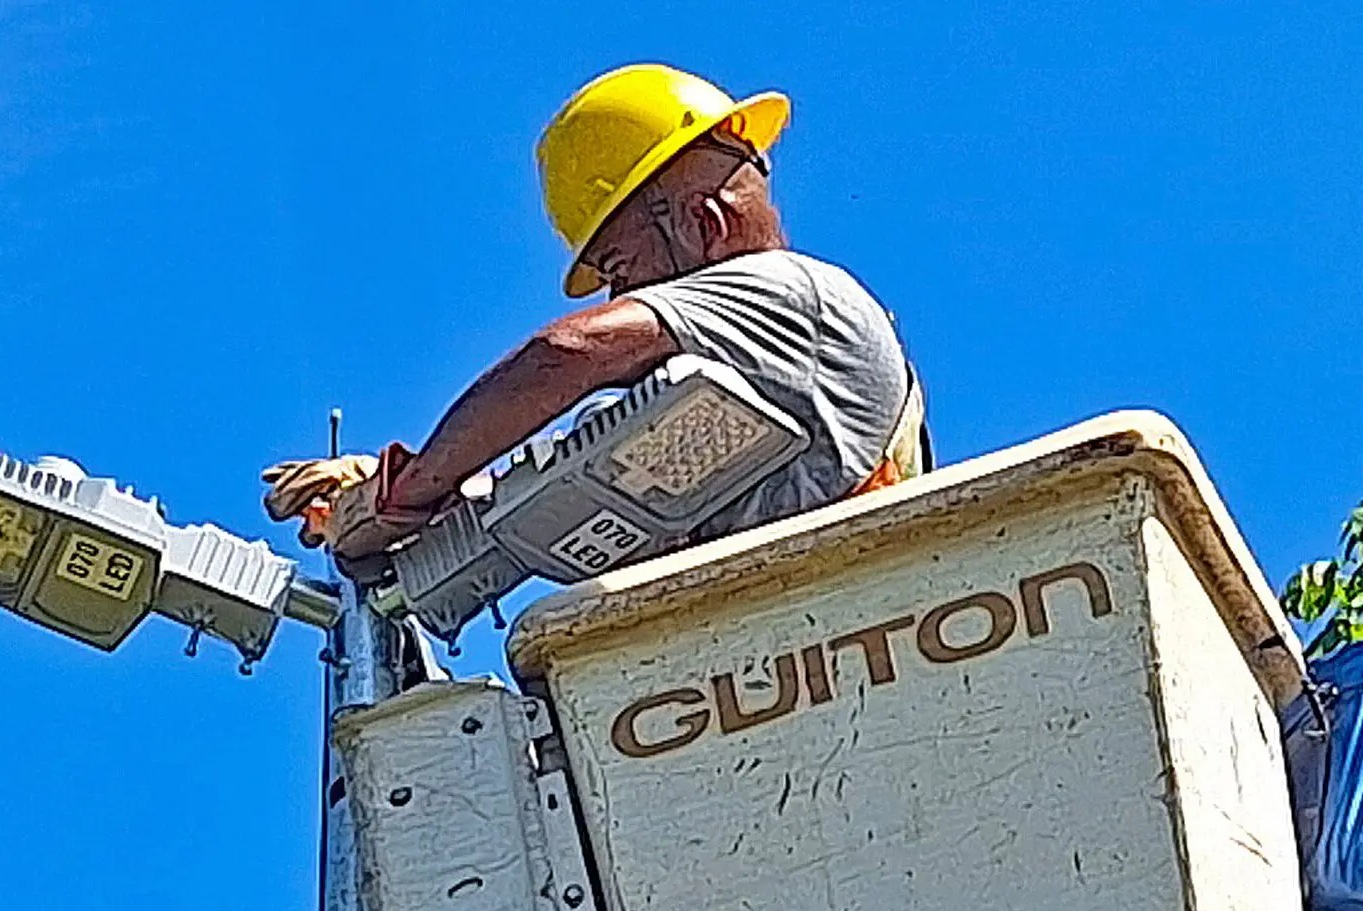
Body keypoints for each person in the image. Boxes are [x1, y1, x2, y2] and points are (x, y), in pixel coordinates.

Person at [264, 63, 928, 561]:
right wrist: (391, 489)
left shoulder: (792, 291)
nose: (619, 297)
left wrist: (402, 496)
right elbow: (551, 499)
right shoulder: (746, 384)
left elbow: (568, 355)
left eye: (618, 266)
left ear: (701, 220)